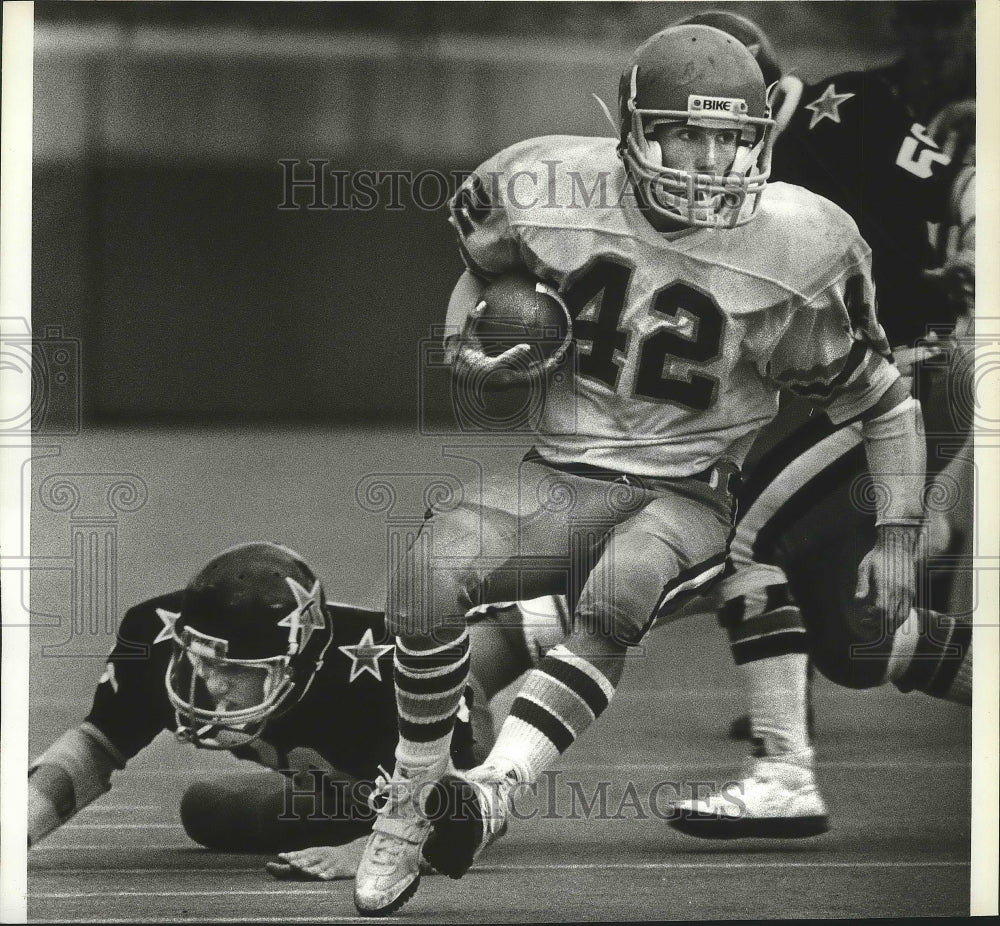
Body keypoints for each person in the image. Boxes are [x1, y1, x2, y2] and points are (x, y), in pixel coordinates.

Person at [353, 23, 927, 916]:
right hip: (565, 470)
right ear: (632, 129)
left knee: (621, 589)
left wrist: (896, 535)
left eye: (730, 137)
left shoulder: (805, 242)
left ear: (761, 138)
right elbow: (480, 276)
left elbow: (883, 405)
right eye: (683, 133)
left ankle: (495, 789)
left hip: (691, 485)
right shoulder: (542, 183)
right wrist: (467, 343)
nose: (707, 159)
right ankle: (406, 806)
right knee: (424, 581)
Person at [656, 4, 975, 837]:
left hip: (907, 377)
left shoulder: (849, 111)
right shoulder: (737, 182)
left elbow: (954, 184)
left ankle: (782, 773)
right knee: (855, 640)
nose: (700, 152)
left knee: (738, 540)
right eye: (684, 130)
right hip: (868, 386)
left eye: (711, 124)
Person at [26, 541, 511, 879]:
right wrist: (20, 823)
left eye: (237, 669)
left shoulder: (376, 681)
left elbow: (459, 807)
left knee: (476, 679)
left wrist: (369, 851)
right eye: (204, 660)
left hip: (444, 726)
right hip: (351, 777)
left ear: (296, 667)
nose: (212, 683)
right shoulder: (155, 636)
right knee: (208, 811)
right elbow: (97, 743)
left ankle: (542, 618)